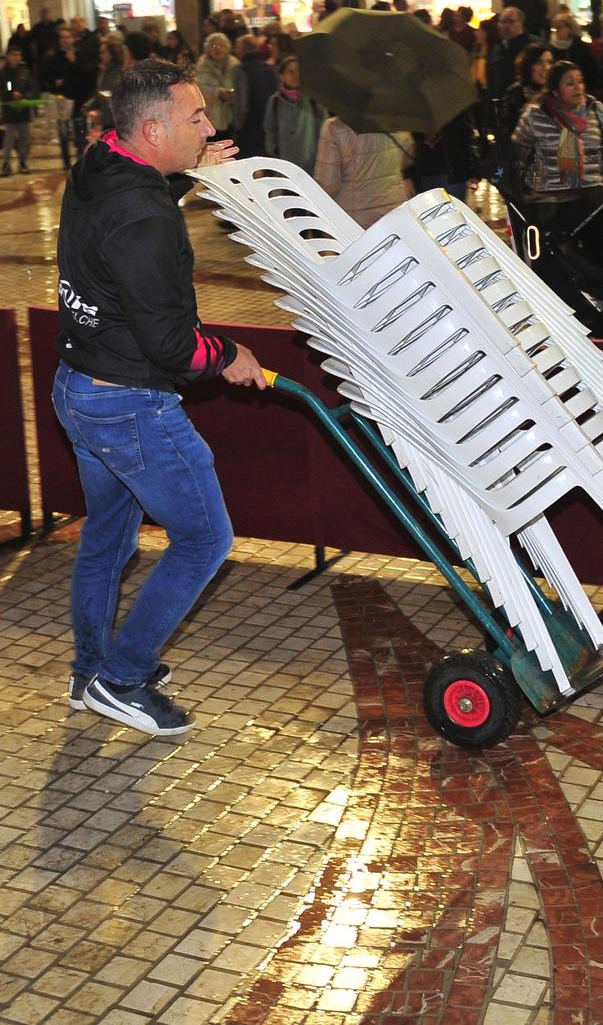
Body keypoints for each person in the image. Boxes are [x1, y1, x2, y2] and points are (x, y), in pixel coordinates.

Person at [52, 59, 265, 736]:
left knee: (109, 538)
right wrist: (230, 355)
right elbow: (173, 345)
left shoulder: (100, 164)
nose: (208, 127)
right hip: (129, 401)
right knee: (205, 537)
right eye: (194, 119)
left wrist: (189, 176)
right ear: (151, 129)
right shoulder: (144, 214)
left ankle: (91, 671)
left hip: (77, 387)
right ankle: (121, 675)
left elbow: (125, 227)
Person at [511, 59, 603, 262]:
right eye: (570, 83)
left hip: (592, 202)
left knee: (592, 262)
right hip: (551, 203)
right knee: (556, 263)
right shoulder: (536, 115)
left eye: (580, 81)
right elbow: (517, 152)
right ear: (555, 89)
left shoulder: (599, 112)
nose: (578, 87)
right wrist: (525, 188)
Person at [314, 113, 412, 227]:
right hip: (394, 211)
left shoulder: (334, 128)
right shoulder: (399, 123)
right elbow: (407, 159)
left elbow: (328, 185)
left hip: (353, 218)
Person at [263, 54, 326, 173]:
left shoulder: (314, 99)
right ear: (282, 76)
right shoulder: (275, 101)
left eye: (298, 71)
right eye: (290, 72)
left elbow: (323, 130)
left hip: (311, 166)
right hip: (285, 166)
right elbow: (270, 129)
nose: (295, 75)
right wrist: (275, 150)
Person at [0, 46, 40, 175]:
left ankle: (23, 161)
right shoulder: (3, 73)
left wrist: (26, 96)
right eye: (14, 55)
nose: (17, 58)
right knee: (9, 137)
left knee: (24, 137)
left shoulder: (25, 71)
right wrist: (10, 95)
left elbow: (32, 88)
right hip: (9, 109)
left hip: (23, 109)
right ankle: (6, 163)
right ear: (8, 56)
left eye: (18, 55)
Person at [235, 35, 278, 159]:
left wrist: (238, 129)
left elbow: (241, 106)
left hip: (249, 128)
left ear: (243, 49)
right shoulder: (270, 69)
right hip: (267, 126)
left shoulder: (241, 71)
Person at [194, 32, 241, 136]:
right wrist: (217, 92)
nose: (217, 48)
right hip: (211, 116)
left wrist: (231, 94)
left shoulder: (235, 65)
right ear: (207, 49)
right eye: (213, 46)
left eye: (221, 45)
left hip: (231, 116)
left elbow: (241, 87)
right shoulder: (202, 66)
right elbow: (198, 88)